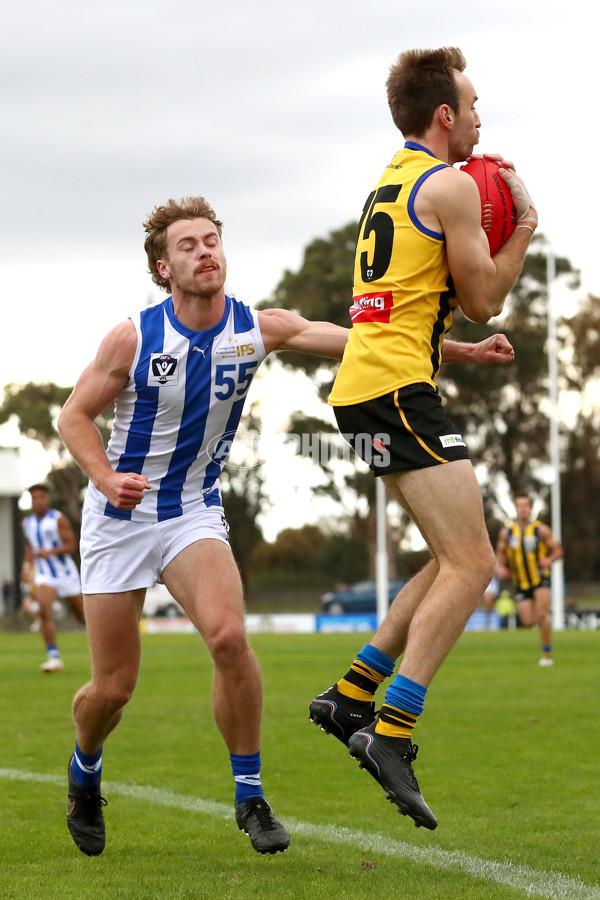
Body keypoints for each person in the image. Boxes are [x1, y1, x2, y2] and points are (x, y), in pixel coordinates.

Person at [57, 194, 515, 859]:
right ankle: (85, 771)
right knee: (113, 688)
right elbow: (73, 416)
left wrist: (464, 351)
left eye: (211, 239)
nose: (205, 251)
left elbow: (368, 342)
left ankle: (251, 796)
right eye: (187, 245)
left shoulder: (259, 326)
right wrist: (104, 478)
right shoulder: (133, 337)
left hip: (191, 511)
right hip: (118, 519)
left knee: (229, 637)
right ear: (162, 268)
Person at [308, 46, 538, 831]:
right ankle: (393, 732)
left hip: (363, 394)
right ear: (445, 115)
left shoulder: (393, 179)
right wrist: (525, 230)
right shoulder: (447, 185)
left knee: (447, 559)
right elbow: (482, 296)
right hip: (394, 395)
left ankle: (350, 695)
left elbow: (398, 307)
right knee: (476, 566)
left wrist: (461, 353)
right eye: (472, 105)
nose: (478, 117)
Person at [21, 484, 85, 672]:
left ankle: (108, 647)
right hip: (45, 574)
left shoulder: (58, 519)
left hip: (65, 574)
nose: (38, 501)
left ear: (47, 499)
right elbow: (29, 548)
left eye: (41, 497)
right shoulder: (28, 523)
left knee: (83, 618)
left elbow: (72, 546)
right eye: (34, 499)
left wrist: (50, 552)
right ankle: (54, 658)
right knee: (43, 610)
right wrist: (26, 567)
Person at [496, 492, 563, 665]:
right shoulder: (507, 532)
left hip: (540, 577)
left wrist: (549, 559)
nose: (522, 509)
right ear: (516, 508)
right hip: (520, 582)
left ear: (531, 508)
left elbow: (558, 551)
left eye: (525, 505)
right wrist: (501, 567)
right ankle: (543, 621)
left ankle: (546, 654)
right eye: (519, 505)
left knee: (541, 613)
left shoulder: (541, 530)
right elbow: (500, 553)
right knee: (527, 621)